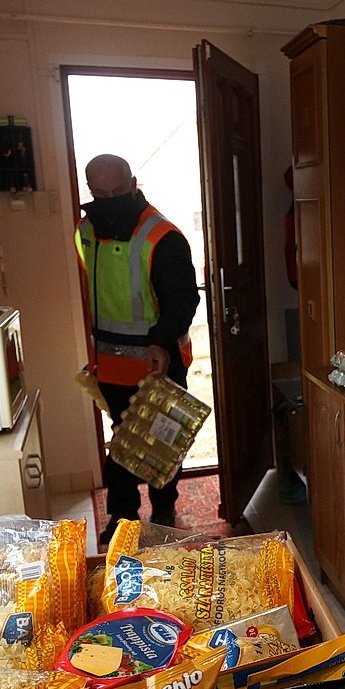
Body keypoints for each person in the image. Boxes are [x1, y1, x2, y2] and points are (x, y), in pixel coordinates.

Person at [76, 153, 201, 543]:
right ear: (90, 191)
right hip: (111, 364)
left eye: (117, 191)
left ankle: (164, 509)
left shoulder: (162, 236)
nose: (109, 200)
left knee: (162, 442)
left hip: (158, 362)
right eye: (100, 193)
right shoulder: (86, 232)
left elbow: (183, 299)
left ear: (133, 183)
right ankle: (122, 519)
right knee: (122, 443)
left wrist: (162, 342)